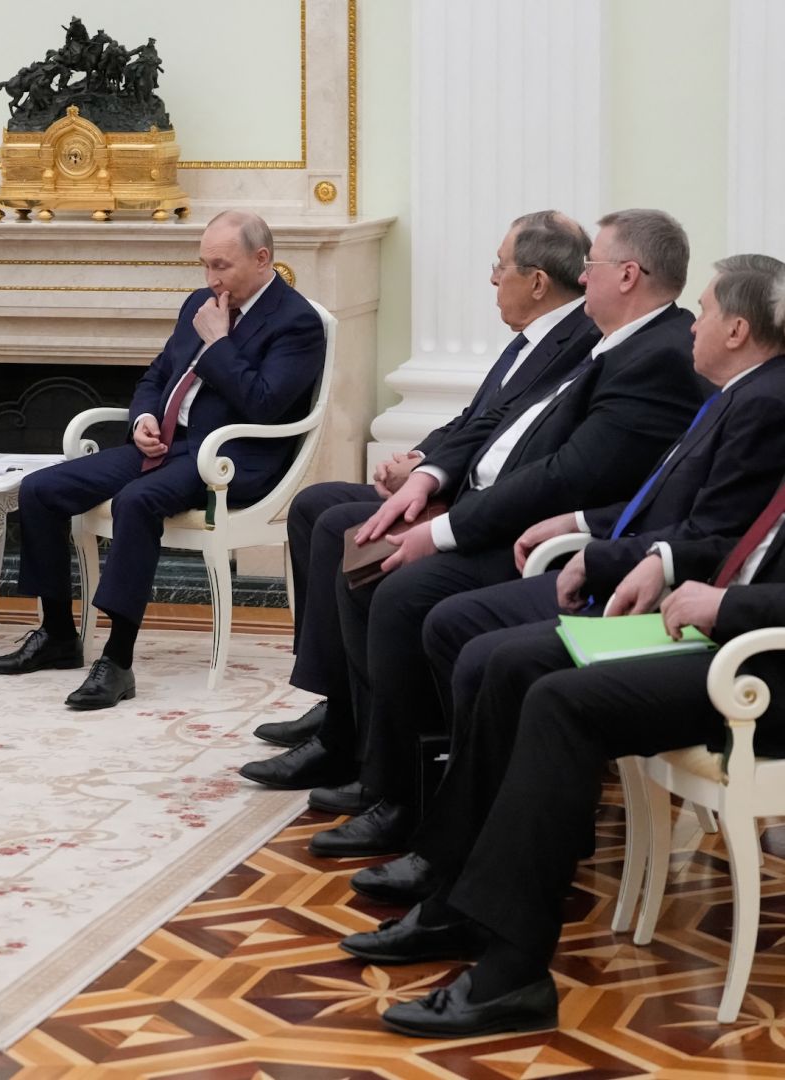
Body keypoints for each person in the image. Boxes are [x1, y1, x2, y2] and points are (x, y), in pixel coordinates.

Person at [242, 209, 704, 839]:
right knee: (351, 534)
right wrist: (433, 477)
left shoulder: (653, 352)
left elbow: (571, 472)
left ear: (626, 275)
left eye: (591, 266)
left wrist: (446, 521)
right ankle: (366, 747)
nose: (582, 277)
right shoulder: (616, 341)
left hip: (550, 540)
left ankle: (403, 793)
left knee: (399, 585)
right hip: (505, 509)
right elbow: (495, 425)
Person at [340, 253, 785, 888]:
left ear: (737, 331)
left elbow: (708, 536)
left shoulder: (760, 400)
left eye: (707, 313)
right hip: (636, 575)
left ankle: (480, 840)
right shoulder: (733, 392)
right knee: (455, 628)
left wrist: (620, 556)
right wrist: (584, 529)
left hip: (712, 634)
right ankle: (464, 818)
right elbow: (676, 511)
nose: (693, 324)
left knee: (471, 639)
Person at [357, 507, 785, 1038]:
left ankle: (513, 974)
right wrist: (664, 565)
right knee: (513, 665)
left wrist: (728, 604)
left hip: (764, 668)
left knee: (563, 704)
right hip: (728, 640)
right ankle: (455, 898)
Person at [251, 211, 600, 786]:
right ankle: (340, 701)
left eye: (499, 267)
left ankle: (350, 732)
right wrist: (421, 462)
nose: (492, 280)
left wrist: (437, 484)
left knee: (343, 523)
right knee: (316, 507)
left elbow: (512, 444)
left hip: (495, 511)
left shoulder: (573, 340)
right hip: (458, 484)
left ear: (537, 282)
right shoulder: (535, 340)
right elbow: (476, 421)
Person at [0, 210, 326, 710]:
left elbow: (265, 403)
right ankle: (57, 634)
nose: (211, 279)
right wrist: (143, 418)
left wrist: (218, 342)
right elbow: (157, 375)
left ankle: (117, 661)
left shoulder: (297, 322)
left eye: (222, 267)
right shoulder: (200, 302)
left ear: (262, 259)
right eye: (205, 266)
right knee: (41, 490)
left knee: (136, 502)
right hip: (166, 444)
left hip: (227, 458)